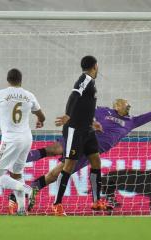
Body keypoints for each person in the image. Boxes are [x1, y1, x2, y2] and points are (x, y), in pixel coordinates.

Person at [24, 99, 151, 211]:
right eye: (125, 104)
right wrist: (70, 118)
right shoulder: (104, 111)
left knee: (58, 173)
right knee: (55, 149)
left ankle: (33, 187)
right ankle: (21, 159)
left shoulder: (132, 121)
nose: (128, 106)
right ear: (116, 105)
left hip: (91, 153)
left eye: (129, 105)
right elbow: (84, 113)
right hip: (82, 138)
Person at [0, 68, 45, 215]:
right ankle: (21, 209)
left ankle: (28, 189)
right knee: (16, 173)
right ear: (21, 80)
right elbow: (42, 115)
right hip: (26, 139)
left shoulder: (1, 94)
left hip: (11, 140)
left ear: (8, 80)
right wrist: (39, 120)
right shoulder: (29, 95)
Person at [51, 55, 102, 216]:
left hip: (87, 129)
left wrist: (92, 121)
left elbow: (84, 105)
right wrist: (67, 115)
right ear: (95, 66)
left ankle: (96, 201)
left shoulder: (91, 82)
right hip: (75, 130)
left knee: (96, 161)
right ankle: (57, 204)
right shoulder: (85, 78)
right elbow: (74, 95)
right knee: (69, 166)